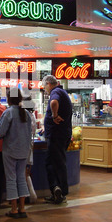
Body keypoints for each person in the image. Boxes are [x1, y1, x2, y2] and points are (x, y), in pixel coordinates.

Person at [0, 87, 32, 218]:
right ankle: (22, 208)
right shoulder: (26, 114)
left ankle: (14, 209)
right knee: (21, 178)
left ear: (9, 99)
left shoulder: (8, 113)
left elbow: (0, 132)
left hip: (10, 150)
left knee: (11, 179)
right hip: (23, 151)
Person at [42, 75, 72, 205]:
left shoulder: (56, 92)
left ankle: (59, 190)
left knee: (53, 163)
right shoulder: (62, 92)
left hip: (56, 135)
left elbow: (54, 102)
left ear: (49, 84)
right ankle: (57, 190)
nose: (45, 90)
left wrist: (54, 116)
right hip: (62, 133)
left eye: (44, 87)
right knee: (58, 162)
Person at [22, 94, 37, 204]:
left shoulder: (23, 115)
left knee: (22, 172)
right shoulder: (32, 115)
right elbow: (33, 130)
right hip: (30, 145)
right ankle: (30, 195)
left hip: (21, 146)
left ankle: (27, 196)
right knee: (27, 171)